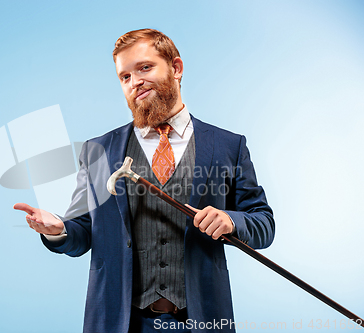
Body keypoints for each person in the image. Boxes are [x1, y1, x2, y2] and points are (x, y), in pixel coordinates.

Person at [14, 29, 275, 333]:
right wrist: (59, 230)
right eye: (124, 77)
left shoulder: (229, 146)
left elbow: (263, 224)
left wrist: (230, 221)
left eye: (145, 68)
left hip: (201, 321)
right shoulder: (99, 151)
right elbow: (82, 233)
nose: (134, 81)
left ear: (176, 68)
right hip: (120, 322)